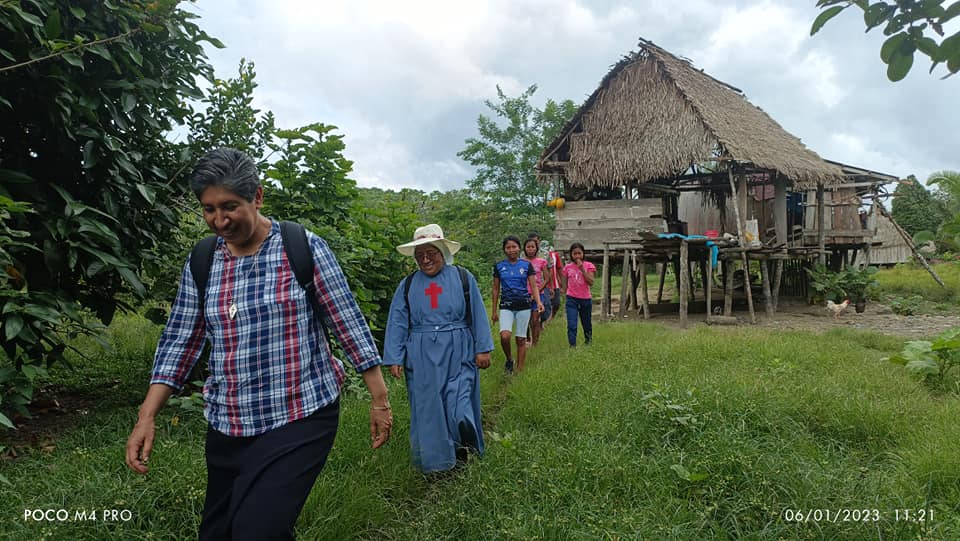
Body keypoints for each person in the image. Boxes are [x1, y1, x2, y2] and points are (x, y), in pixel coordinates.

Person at [124, 148, 392, 540]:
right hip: (229, 421)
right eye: (209, 209)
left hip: (300, 413)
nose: (220, 220)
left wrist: (379, 399)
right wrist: (146, 416)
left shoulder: (301, 248)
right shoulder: (203, 261)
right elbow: (180, 340)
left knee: (257, 530)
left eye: (230, 206)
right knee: (219, 533)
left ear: (258, 197)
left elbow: (346, 321)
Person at [383, 224, 494, 472]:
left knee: (459, 405)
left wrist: (483, 348)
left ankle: (463, 446)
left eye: (430, 253)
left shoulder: (463, 277)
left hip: (459, 350)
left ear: (442, 252)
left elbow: (477, 313)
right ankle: (438, 463)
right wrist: (395, 357)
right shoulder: (408, 284)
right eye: (419, 255)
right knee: (429, 407)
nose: (425, 259)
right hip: (421, 354)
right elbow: (398, 321)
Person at [492, 236, 543, 373]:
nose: (511, 250)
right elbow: (496, 289)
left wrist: (538, 302)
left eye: (514, 247)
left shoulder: (526, 265)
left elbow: (533, 285)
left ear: (519, 248)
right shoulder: (499, 266)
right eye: (508, 247)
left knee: (521, 339)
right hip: (506, 306)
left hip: (524, 306)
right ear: (504, 250)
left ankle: (519, 371)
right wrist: (494, 311)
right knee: (505, 336)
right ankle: (509, 359)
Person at [560, 242, 596, 347]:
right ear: (571, 255)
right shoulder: (567, 268)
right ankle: (572, 345)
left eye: (579, 253)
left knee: (587, 323)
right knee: (572, 324)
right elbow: (564, 283)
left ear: (583, 254)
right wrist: (564, 295)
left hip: (585, 299)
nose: (577, 256)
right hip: (571, 299)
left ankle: (588, 342)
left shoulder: (589, 266)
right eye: (574, 254)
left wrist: (582, 269)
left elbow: (591, 282)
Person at [522, 237, 549, 346]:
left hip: (539, 295)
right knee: (527, 320)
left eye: (532, 247)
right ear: (524, 249)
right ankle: (527, 339)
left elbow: (547, 279)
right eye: (528, 247)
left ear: (536, 248)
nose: (530, 249)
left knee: (535, 319)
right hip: (525, 294)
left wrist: (537, 292)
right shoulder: (521, 262)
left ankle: (535, 343)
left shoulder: (542, 262)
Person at [542, 241, 563, 326]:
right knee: (545, 303)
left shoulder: (555, 255)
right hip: (544, 284)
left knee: (557, 303)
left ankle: (550, 319)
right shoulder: (540, 255)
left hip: (555, 283)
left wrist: (562, 283)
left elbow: (558, 269)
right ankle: (542, 322)